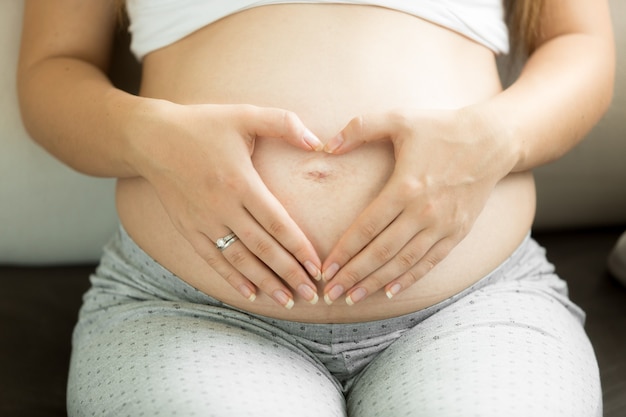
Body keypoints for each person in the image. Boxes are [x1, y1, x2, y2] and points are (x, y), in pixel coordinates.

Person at [17, 0, 614, 416]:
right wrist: (154, 138)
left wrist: (492, 137)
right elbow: (52, 70)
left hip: (475, 308)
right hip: (187, 311)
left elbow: (579, 43)